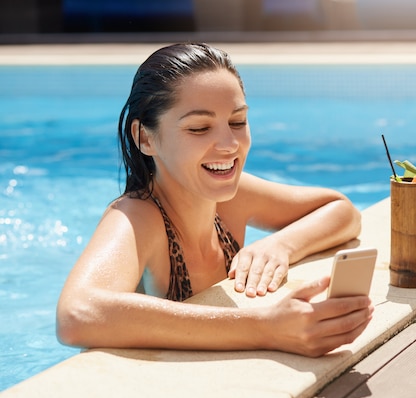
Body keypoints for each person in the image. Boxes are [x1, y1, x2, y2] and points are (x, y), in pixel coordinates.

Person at [56, 43, 373, 357]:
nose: (229, 144)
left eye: (237, 122)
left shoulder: (230, 198)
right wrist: (265, 328)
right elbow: (77, 314)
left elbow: (342, 211)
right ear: (145, 138)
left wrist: (280, 246)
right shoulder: (137, 217)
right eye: (199, 128)